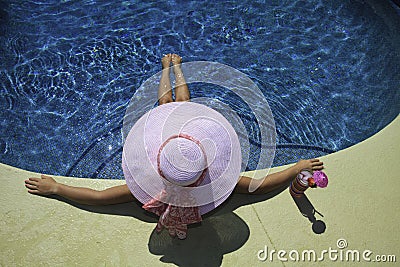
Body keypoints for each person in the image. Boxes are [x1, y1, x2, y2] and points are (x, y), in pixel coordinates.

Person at [24, 54, 324, 238]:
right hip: (185, 158)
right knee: (183, 105)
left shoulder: (145, 190)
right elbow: (264, 184)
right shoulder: (223, 183)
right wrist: (297, 167)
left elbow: (98, 196)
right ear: (206, 164)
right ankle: (176, 67)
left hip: (174, 158)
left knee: (166, 104)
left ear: (157, 163)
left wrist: (57, 189)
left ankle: (167, 68)